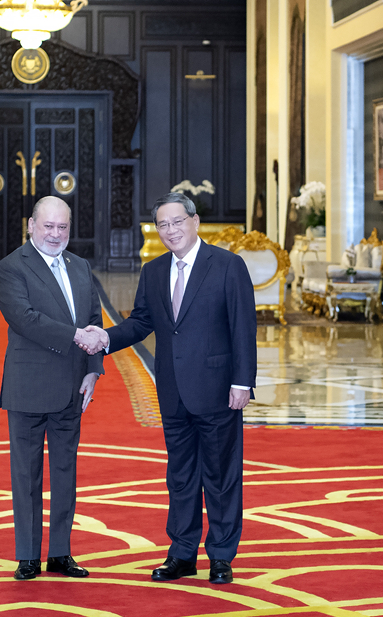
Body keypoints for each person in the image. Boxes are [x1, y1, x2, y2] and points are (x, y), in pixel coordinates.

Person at [80, 192, 257, 584]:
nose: (171, 230)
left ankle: (221, 556)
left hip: (218, 389)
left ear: (195, 221)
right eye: (163, 224)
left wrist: (242, 382)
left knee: (221, 476)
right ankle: (181, 553)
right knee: (180, 476)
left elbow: (243, 327)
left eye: (178, 221)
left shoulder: (227, 265)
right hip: (173, 391)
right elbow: (141, 322)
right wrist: (105, 338)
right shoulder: (154, 271)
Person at [0, 196, 105, 581]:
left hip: (73, 387)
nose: (56, 234)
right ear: (31, 225)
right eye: (48, 226)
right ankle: (28, 555)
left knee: (65, 472)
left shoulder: (80, 266)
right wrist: (77, 336)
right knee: (26, 475)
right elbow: (25, 319)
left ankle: (60, 553)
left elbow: (94, 319)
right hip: (28, 386)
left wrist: (94, 370)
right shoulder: (11, 267)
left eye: (63, 227)